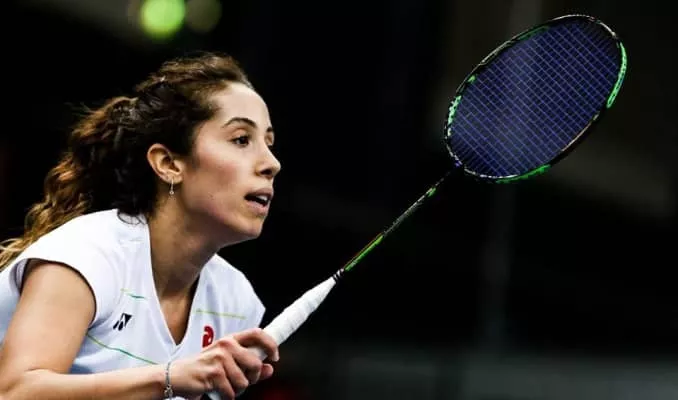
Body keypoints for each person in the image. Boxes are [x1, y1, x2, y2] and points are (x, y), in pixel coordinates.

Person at [0, 51, 282, 399]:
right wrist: (168, 378)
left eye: (269, 143)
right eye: (241, 139)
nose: (272, 163)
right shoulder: (89, 256)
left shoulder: (233, 301)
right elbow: (14, 392)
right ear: (169, 164)